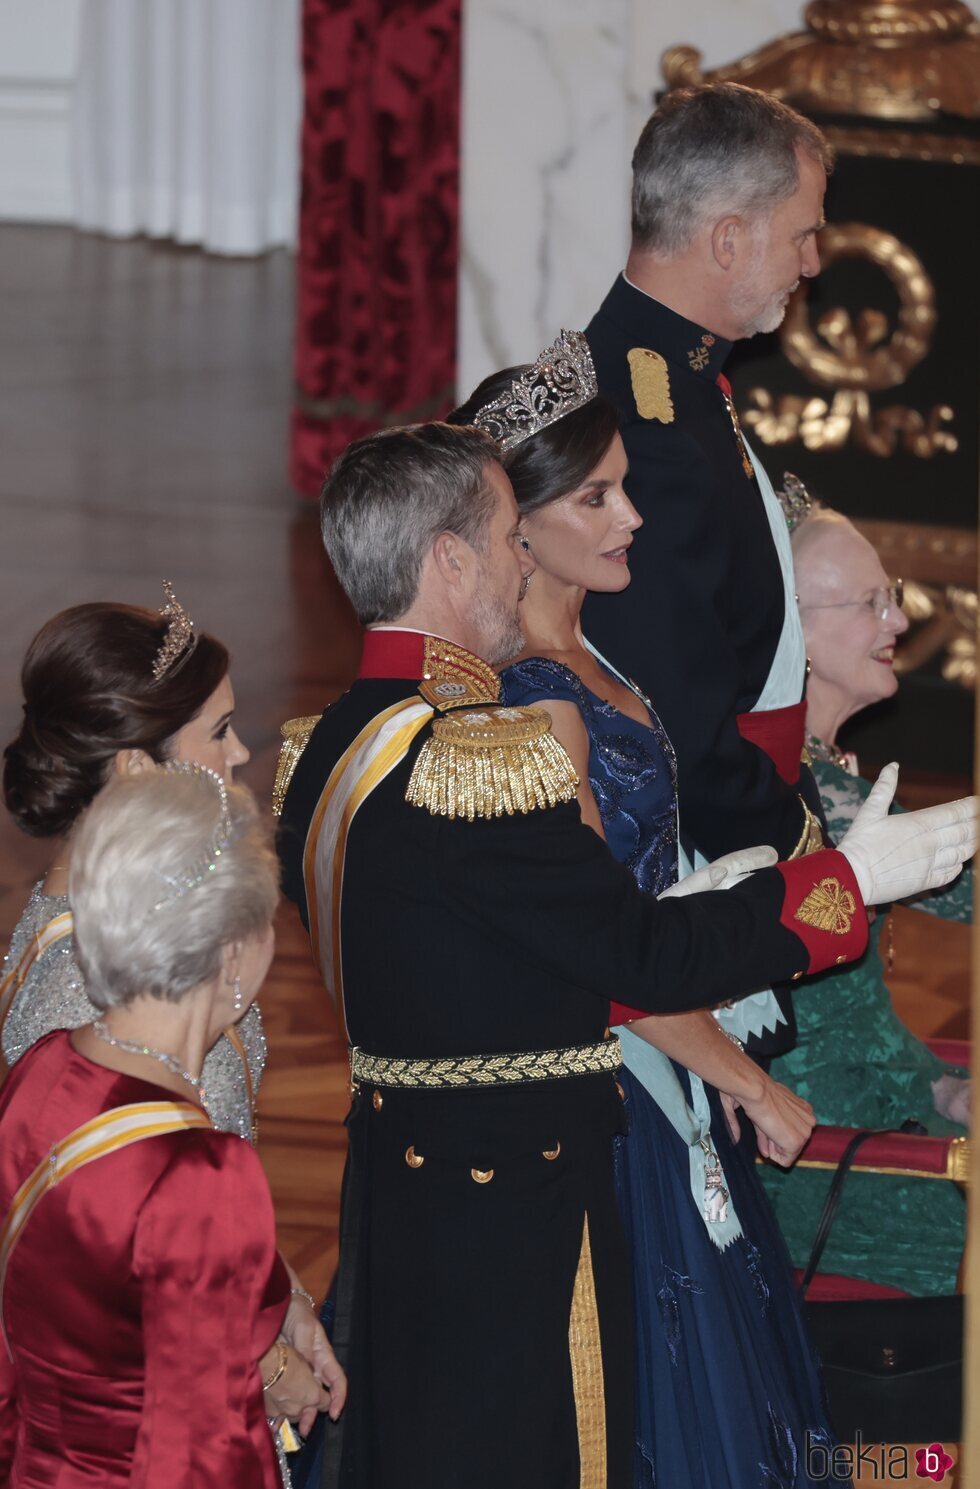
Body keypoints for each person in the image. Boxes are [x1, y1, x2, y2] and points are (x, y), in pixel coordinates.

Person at [275, 415, 975, 1488]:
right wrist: (849, 883)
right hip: (518, 1215)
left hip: (411, 1188)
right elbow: (638, 956)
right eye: (511, 535)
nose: (523, 559)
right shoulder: (475, 763)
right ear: (448, 559)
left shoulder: (335, 737)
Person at [453, 332, 835, 1486]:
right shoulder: (525, 695)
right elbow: (597, 952)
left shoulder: (591, 645)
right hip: (606, 1095)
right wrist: (744, 1078)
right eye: (599, 496)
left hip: (672, 1051)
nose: (630, 518)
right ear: (514, 528)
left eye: (625, 484)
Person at [583, 82, 834, 1059]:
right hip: (683, 851)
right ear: (726, 239)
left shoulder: (669, 379)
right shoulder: (647, 425)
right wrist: (798, 838)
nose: (811, 262)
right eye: (801, 235)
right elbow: (672, 703)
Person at [0, 767, 341, 1486]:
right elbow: (209, 1454)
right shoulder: (200, 1172)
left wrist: (276, 1307)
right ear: (233, 956)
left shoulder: (41, 1072)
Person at [759, 492, 972, 1296]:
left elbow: (862, 1025)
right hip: (818, 1155)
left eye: (894, 595)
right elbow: (968, 887)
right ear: (797, 633)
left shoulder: (829, 770)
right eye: (870, 602)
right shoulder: (805, 790)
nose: (900, 622)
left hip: (889, 1103)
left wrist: (940, 1086)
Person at [1, 588, 263, 1137]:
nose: (240, 752)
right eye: (218, 732)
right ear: (137, 770)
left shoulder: (136, 913)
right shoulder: (78, 988)